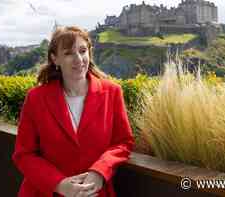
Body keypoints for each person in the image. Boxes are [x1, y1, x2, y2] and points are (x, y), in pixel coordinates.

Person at [12, 26, 135, 197]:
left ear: (89, 53)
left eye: (83, 51)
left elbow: (123, 142)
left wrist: (100, 171)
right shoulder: (35, 98)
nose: (78, 59)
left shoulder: (112, 92)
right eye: (69, 53)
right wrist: (59, 184)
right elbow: (24, 154)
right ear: (55, 59)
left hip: (95, 193)